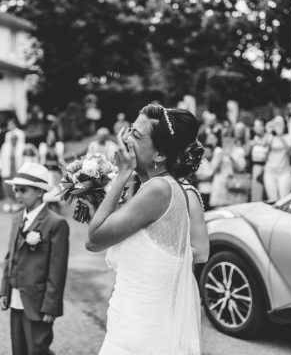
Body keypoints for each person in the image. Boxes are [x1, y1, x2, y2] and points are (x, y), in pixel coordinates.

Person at [84, 104, 208, 355]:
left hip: (142, 333)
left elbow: (94, 239)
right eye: (130, 130)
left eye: (137, 136)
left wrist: (121, 175)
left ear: (160, 154)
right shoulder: (155, 187)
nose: (126, 139)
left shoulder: (158, 189)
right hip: (136, 320)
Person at [0, 162, 69, 355]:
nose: (17, 194)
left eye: (23, 190)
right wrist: (4, 290)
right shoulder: (16, 219)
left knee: (37, 349)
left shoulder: (56, 223)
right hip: (15, 297)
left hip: (38, 301)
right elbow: (10, 257)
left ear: (39, 192)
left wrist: (51, 306)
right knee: (19, 349)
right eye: (15, 189)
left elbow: (58, 268)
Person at [209, 134, 248, 207]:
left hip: (234, 185)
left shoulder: (239, 151)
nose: (227, 142)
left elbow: (241, 169)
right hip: (220, 184)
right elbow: (213, 170)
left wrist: (231, 157)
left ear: (233, 140)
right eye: (225, 140)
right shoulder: (218, 151)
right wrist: (220, 158)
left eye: (229, 140)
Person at [263, 116, 291, 201]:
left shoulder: (288, 137)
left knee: (284, 200)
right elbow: (263, 145)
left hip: (284, 172)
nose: (278, 125)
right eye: (276, 123)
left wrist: (280, 135)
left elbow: (289, 151)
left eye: (280, 123)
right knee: (272, 200)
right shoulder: (270, 137)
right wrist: (269, 132)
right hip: (270, 172)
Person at [0, 133, 26, 213]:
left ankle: (16, 202)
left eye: (15, 138)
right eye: (12, 138)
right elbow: (0, 157)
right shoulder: (5, 146)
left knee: (16, 187)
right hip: (6, 169)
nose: (13, 140)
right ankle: (8, 201)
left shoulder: (22, 146)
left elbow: (25, 159)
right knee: (6, 186)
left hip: (17, 170)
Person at [38, 129, 65, 212]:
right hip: (47, 172)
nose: (51, 137)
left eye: (53, 135)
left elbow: (60, 159)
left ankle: (56, 206)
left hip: (56, 172)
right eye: (49, 135)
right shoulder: (43, 146)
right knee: (47, 190)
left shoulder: (58, 146)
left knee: (56, 190)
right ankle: (47, 206)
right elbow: (42, 160)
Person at [249, 119, 268, 201]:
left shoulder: (268, 137)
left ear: (263, 126)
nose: (256, 128)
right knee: (256, 192)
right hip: (256, 166)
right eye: (255, 126)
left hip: (266, 167)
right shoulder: (255, 137)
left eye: (258, 126)